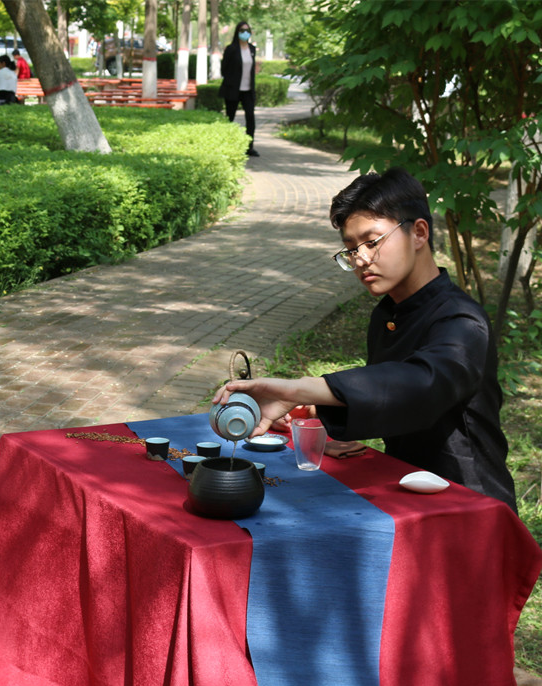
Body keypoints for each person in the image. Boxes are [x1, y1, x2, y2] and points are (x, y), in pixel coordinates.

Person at [213, 168, 517, 510]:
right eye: (351, 249)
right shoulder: (388, 313)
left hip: (470, 501)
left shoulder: (462, 320)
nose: (361, 260)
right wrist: (323, 419)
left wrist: (298, 387)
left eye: (372, 242)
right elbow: (394, 399)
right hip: (407, 488)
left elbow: (420, 385)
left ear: (418, 233)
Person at [218, 21, 258, 157]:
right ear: (237, 32)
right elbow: (224, 69)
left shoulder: (252, 49)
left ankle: (249, 146)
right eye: (242, 30)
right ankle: (227, 145)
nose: (245, 33)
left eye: (247, 30)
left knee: (250, 118)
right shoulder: (231, 49)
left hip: (248, 90)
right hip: (233, 90)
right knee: (230, 117)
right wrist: (231, 81)